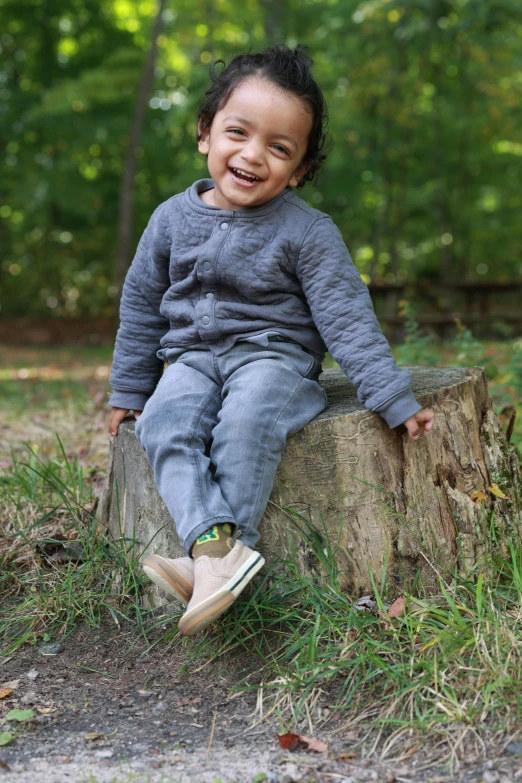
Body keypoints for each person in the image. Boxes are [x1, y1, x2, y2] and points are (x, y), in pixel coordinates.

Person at [108, 45, 434, 637]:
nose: (253, 155)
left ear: (300, 169)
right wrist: (130, 387)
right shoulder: (170, 220)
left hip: (274, 358)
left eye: (279, 148)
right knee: (162, 423)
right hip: (190, 356)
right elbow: (139, 305)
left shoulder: (306, 231)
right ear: (206, 134)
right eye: (238, 132)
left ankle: (224, 560)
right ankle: (214, 551)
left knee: (247, 420)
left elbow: (346, 317)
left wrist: (391, 396)